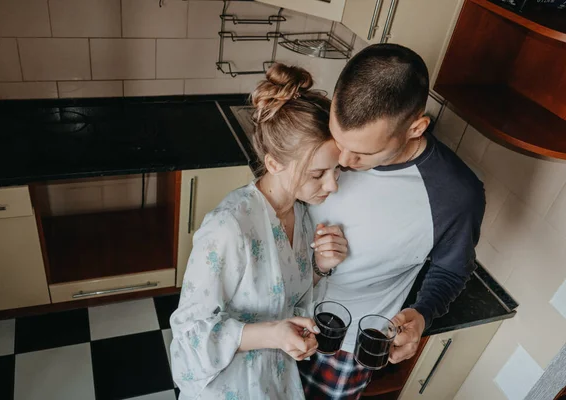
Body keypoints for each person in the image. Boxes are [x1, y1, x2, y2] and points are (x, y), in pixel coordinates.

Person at [299, 44, 486, 399]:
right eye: (339, 140)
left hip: (346, 343)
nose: (345, 159)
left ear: (416, 128)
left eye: (364, 153)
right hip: (276, 310)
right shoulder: (320, 135)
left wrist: (421, 315)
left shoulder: (456, 194)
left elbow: (450, 271)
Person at [169, 63, 349, 400]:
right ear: (274, 164)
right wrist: (274, 335)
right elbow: (190, 335)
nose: (332, 186)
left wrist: (321, 266)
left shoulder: (302, 212)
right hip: (228, 387)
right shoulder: (229, 228)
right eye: (318, 174)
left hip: (275, 380)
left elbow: (286, 294)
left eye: (336, 170)